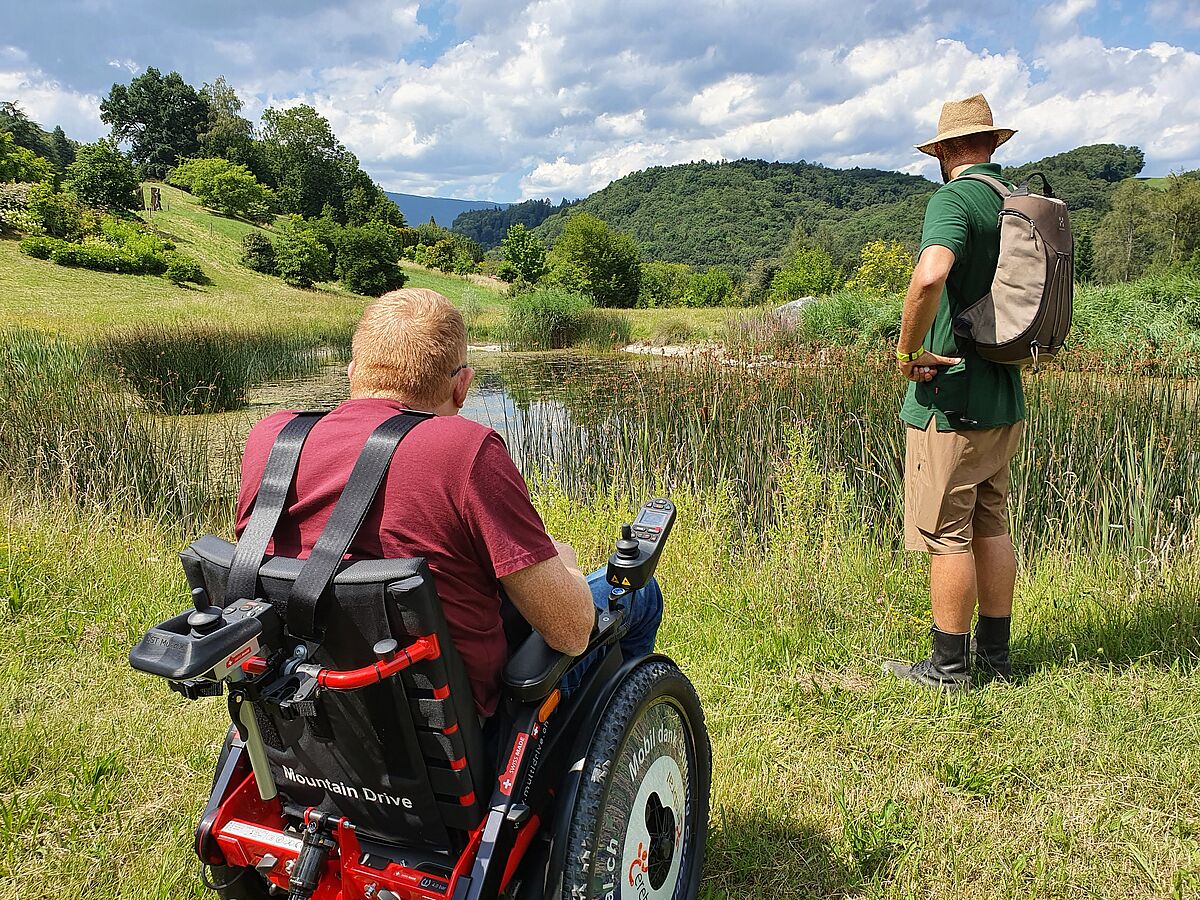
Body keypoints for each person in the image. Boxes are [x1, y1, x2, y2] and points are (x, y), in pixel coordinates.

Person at [234, 288, 663, 717]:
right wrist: (564, 564)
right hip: (453, 727)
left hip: (310, 713)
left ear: (353, 373)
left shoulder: (272, 441)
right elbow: (571, 632)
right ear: (462, 386)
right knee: (640, 597)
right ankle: (616, 732)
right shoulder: (464, 450)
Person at [884, 94, 1024, 691]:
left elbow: (931, 273)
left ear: (943, 150)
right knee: (992, 524)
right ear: (993, 143)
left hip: (953, 397)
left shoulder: (954, 198)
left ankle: (947, 667)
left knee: (948, 534)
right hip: (1004, 395)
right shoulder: (1012, 202)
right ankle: (995, 658)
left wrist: (907, 350)